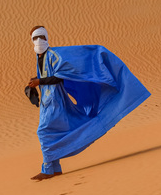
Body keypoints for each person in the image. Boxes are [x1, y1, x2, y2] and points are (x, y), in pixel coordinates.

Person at [28, 26, 150, 181]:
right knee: (53, 132)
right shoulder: (40, 56)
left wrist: (40, 81)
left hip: (55, 101)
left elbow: (61, 76)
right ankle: (55, 169)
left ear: (46, 37)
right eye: (35, 38)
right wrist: (35, 81)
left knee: (44, 132)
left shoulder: (54, 55)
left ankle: (46, 169)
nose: (39, 41)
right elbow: (47, 75)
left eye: (41, 37)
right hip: (47, 100)